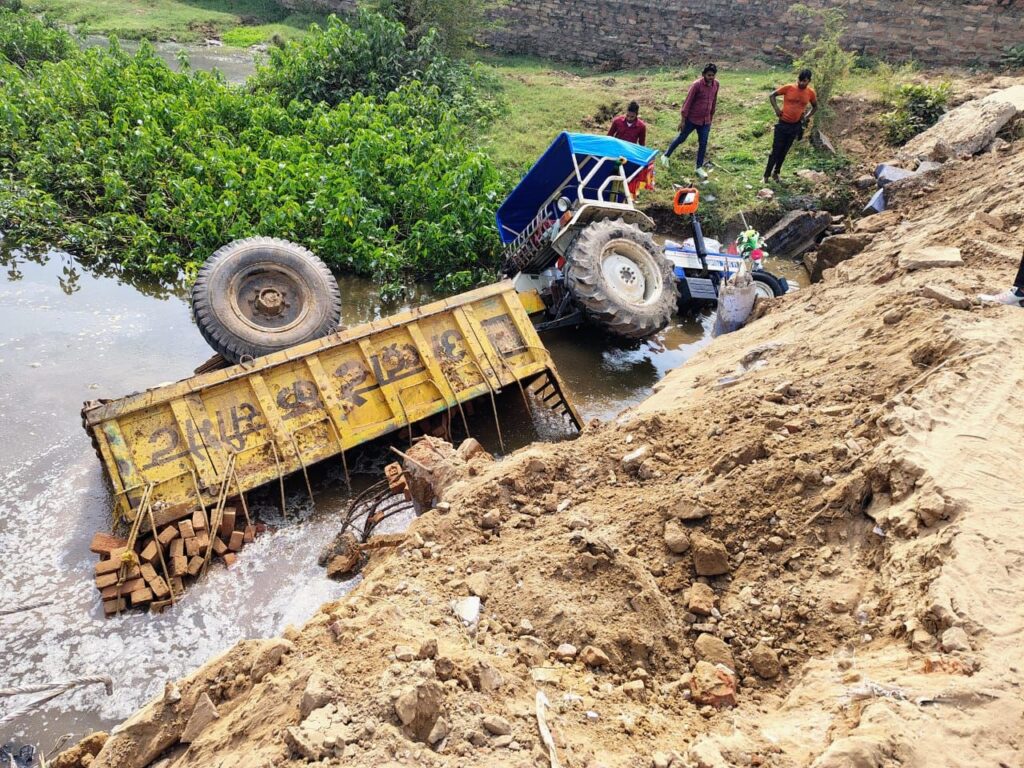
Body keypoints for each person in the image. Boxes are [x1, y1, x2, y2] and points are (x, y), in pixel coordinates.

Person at [662, 63, 719, 173]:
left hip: (705, 121)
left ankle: (698, 167)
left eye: (713, 75)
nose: (711, 78)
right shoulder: (696, 85)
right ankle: (666, 155)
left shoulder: (716, 85)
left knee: (703, 143)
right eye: (708, 75)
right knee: (682, 138)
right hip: (692, 119)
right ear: (703, 74)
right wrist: (683, 120)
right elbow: (687, 102)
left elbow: (714, 101)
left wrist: (711, 117)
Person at [763, 69, 817, 184]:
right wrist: (777, 109)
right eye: (800, 80)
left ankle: (776, 173)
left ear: (809, 81)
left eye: (805, 81)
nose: (802, 83)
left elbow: (815, 107)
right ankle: (766, 176)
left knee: (784, 151)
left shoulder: (810, 93)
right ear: (798, 79)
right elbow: (772, 95)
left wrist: (806, 117)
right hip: (782, 124)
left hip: (795, 126)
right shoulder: (789, 88)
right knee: (776, 150)